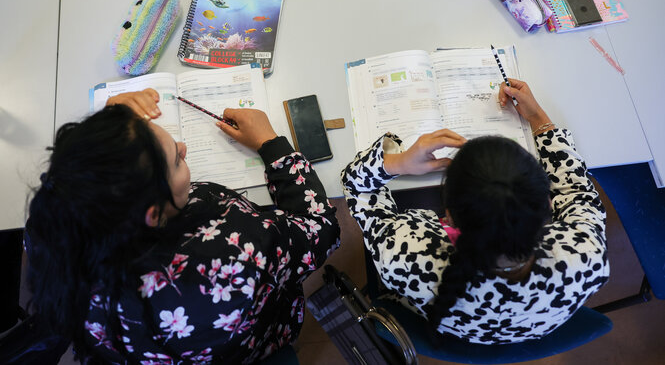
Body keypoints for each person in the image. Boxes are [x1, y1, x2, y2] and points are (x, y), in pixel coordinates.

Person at [25, 89, 340, 363]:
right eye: (176, 160)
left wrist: (113, 134)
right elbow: (320, 228)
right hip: (242, 343)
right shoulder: (229, 252)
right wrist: (271, 145)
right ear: (152, 214)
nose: (183, 148)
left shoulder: (51, 226)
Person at [341, 79, 609, 344]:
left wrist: (399, 161)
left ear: (447, 217)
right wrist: (538, 118)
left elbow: (356, 186)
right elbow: (576, 191)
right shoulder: (587, 257)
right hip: (531, 328)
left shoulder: (403, 254)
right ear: (548, 206)